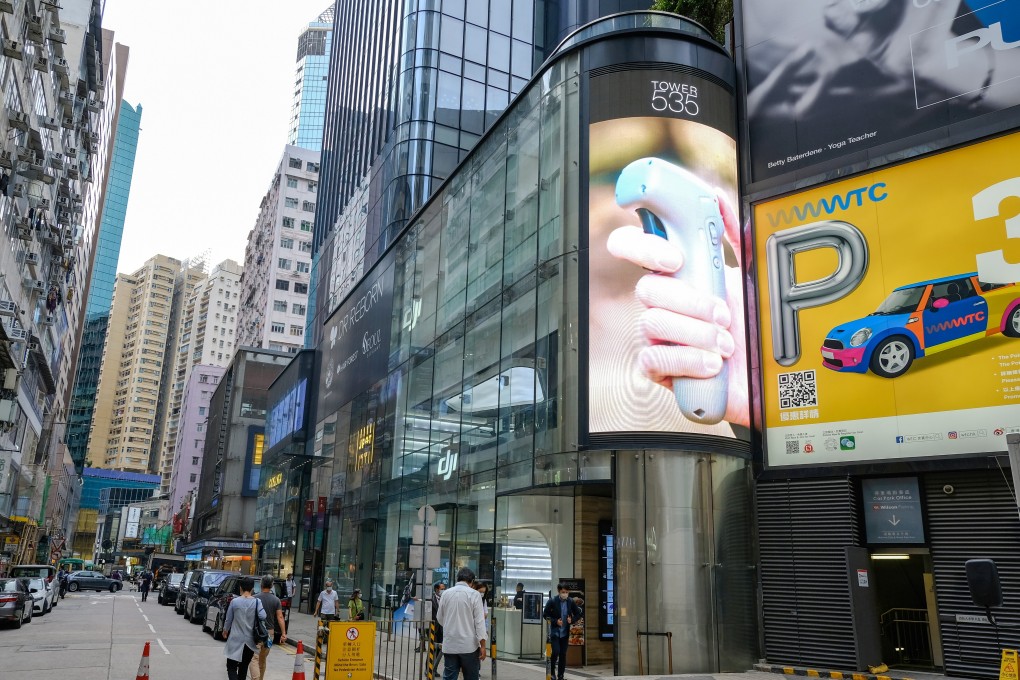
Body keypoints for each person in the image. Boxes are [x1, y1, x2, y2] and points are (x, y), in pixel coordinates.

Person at [436, 567, 487, 680]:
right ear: (472, 581)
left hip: (450, 645)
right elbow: (479, 622)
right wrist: (483, 645)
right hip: (469, 646)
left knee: (449, 677)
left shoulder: (446, 594)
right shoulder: (474, 595)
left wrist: (451, 626)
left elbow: (439, 618)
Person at [222, 576, 266, 680]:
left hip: (235, 639)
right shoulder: (257, 602)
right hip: (249, 641)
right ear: (252, 588)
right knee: (244, 666)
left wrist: (225, 631)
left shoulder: (234, 602)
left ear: (241, 587)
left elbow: (228, 619)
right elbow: (263, 616)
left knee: (231, 667)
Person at [248, 575, 287, 680]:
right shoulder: (276, 600)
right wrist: (283, 633)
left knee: (254, 658)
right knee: (263, 659)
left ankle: (255, 678)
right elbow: (280, 617)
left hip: (256, 632)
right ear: (272, 586)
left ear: (261, 584)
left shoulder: (254, 598)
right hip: (269, 633)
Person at [543, 584, 583, 680]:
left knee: (563, 654)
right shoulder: (552, 601)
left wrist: (572, 620)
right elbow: (545, 615)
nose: (565, 594)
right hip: (555, 632)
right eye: (563, 592)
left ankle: (561, 675)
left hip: (565, 633)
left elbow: (578, 613)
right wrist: (556, 621)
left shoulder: (570, 602)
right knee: (556, 651)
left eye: (566, 592)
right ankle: (552, 672)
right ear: (559, 591)